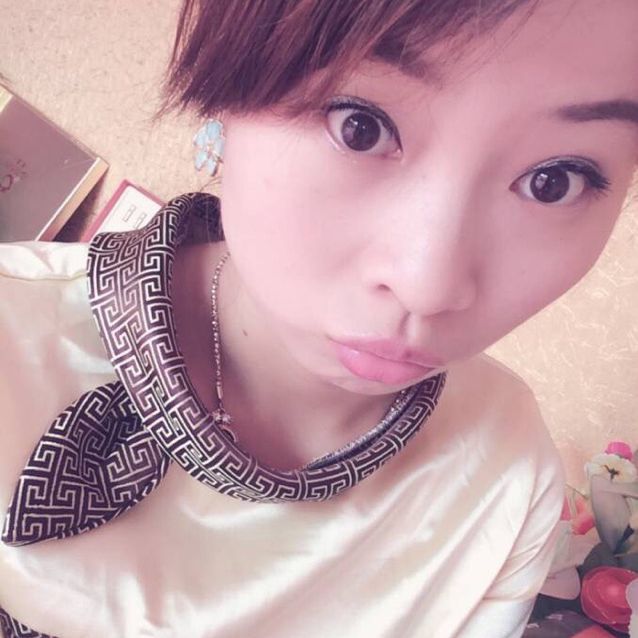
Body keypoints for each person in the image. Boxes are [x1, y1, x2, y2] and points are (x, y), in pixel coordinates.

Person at [1, 0, 637, 636]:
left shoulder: (505, 474)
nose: (427, 285)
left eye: (555, 181)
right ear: (226, 85)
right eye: (360, 127)